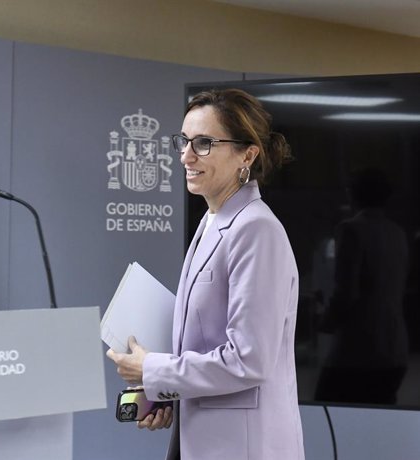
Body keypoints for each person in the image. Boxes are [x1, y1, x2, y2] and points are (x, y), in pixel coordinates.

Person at [107, 88, 304, 459]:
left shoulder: (257, 229)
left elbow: (249, 359)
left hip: (242, 447)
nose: (185, 156)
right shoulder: (212, 220)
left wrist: (153, 370)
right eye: (183, 141)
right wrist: (165, 393)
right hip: (202, 438)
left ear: (247, 154)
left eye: (203, 143)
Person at [315, 168, 409, 404]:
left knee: (326, 407)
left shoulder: (351, 230)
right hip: (394, 347)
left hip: (359, 351)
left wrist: (326, 322)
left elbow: (347, 292)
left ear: (352, 194)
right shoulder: (397, 233)